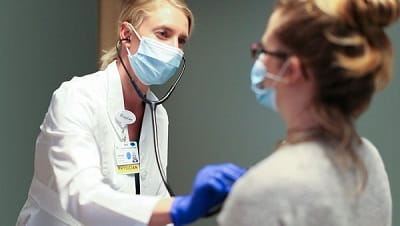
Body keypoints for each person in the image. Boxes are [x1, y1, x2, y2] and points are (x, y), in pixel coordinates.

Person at [16, 0, 245, 225]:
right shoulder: (78, 96)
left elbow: (153, 196)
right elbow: (83, 197)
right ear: (126, 34)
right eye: (163, 33)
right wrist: (180, 207)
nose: (175, 49)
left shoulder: (158, 115)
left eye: (182, 40)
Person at [218, 0, 399, 225]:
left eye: (264, 51)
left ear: (292, 69)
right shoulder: (369, 158)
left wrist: (253, 193)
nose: (260, 61)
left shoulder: (263, 190)